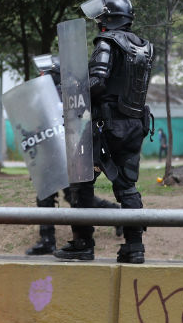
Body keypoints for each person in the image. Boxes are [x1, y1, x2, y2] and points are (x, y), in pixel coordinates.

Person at [53, 0, 154, 264]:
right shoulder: (144, 46)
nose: (99, 22)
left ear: (108, 18)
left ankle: (83, 243)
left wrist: (69, 89)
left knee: (81, 181)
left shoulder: (107, 41)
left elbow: (97, 82)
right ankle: (135, 247)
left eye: (102, 16)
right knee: (126, 186)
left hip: (105, 127)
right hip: (134, 125)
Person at [26, 55, 123, 256]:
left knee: (75, 198)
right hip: (50, 157)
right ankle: (47, 240)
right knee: (44, 195)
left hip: (69, 156)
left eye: (44, 73)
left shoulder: (70, 98)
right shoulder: (44, 98)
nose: (40, 76)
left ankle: (118, 215)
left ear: (54, 75)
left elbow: (81, 123)